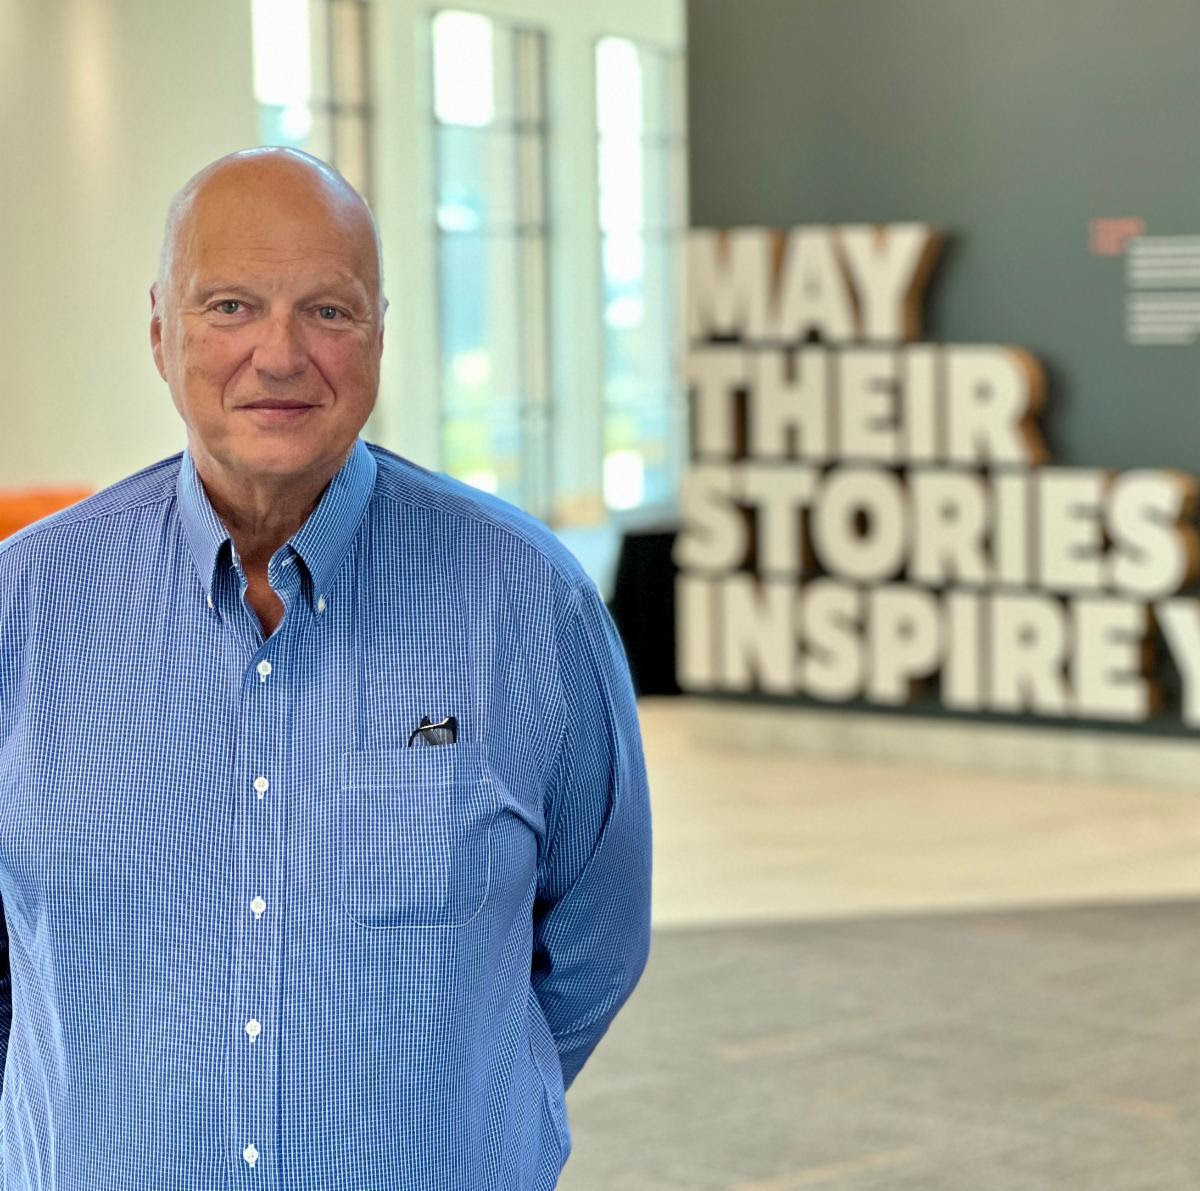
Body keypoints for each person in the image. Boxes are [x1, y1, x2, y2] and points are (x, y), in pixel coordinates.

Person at [0, 147, 652, 1190]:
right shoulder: (23, 606)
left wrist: (459, 1111)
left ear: (380, 336)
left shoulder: (531, 603)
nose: (280, 354)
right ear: (160, 332)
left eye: (328, 313)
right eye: (230, 307)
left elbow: (593, 944)